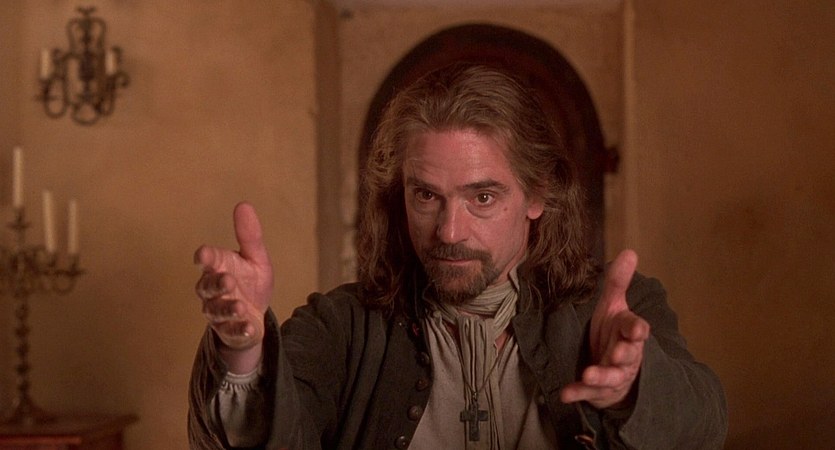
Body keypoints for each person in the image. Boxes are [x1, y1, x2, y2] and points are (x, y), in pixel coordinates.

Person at [188, 64, 727, 449]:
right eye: (426, 196)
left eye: (482, 197)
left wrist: (633, 388)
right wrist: (244, 354)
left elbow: (707, 426)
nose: (448, 230)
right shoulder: (343, 325)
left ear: (537, 196)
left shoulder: (616, 309)